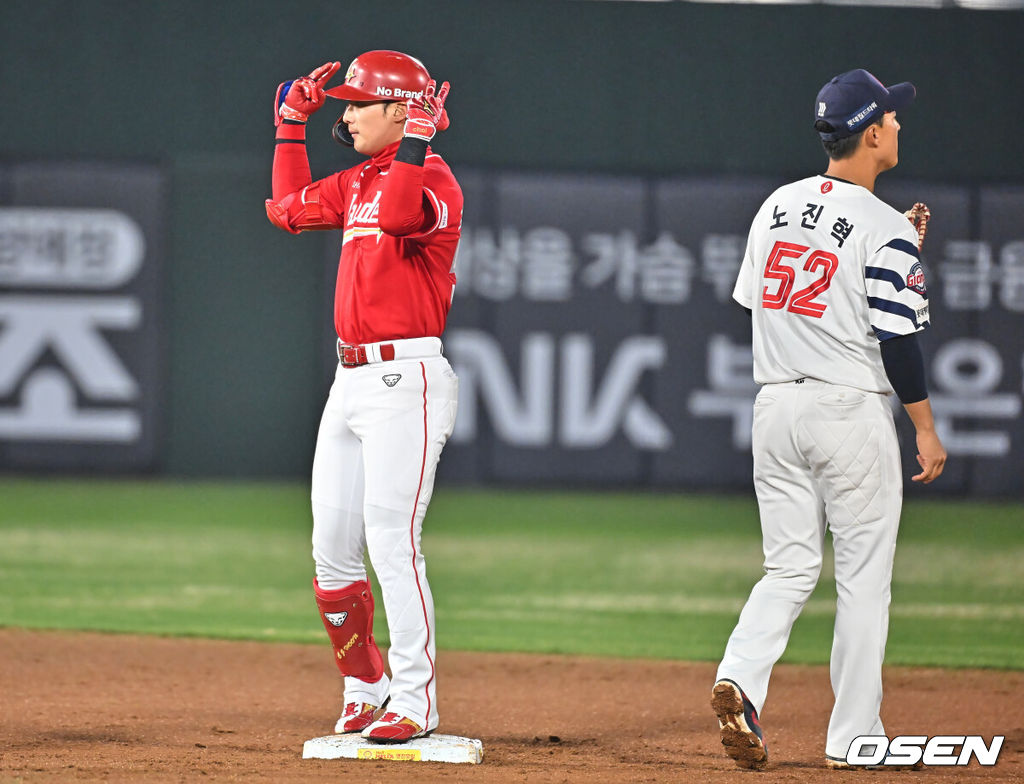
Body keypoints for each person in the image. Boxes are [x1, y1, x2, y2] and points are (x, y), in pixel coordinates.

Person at [711, 68, 947, 770]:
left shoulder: (776, 204)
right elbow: (898, 340)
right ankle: (853, 737)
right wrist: (925, 427)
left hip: (775, 406)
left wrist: (888, 248)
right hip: (848, 411)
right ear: (870, 134)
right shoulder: (884, 226)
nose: (898, 124)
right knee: (864, 582)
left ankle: (739, 677)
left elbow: (764, 302)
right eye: (891, 117)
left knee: (787, 568)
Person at [265, 50, 462, 744]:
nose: (345, 115)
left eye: (358, 104)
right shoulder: (360, 180)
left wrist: (417, 142)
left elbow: (405, 214)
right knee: (331, 549)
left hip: (406, 379)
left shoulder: (431, 178)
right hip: (348, 379)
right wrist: (290, 126)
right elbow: (287, 211)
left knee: (391, 544)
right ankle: (364, 685)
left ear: (400, 111)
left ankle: (415, 700)